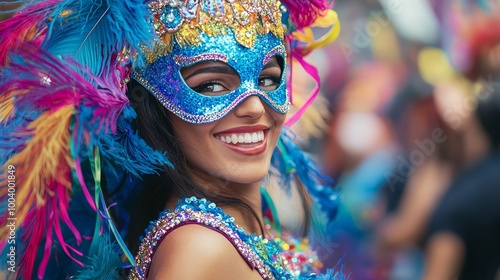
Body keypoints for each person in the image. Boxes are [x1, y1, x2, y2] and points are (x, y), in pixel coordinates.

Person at [0, 0, 345, 279]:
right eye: (210, 85)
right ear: (149, 103)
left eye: (269, 78)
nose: (256, 107)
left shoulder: (239, 224)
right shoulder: (197, 251)